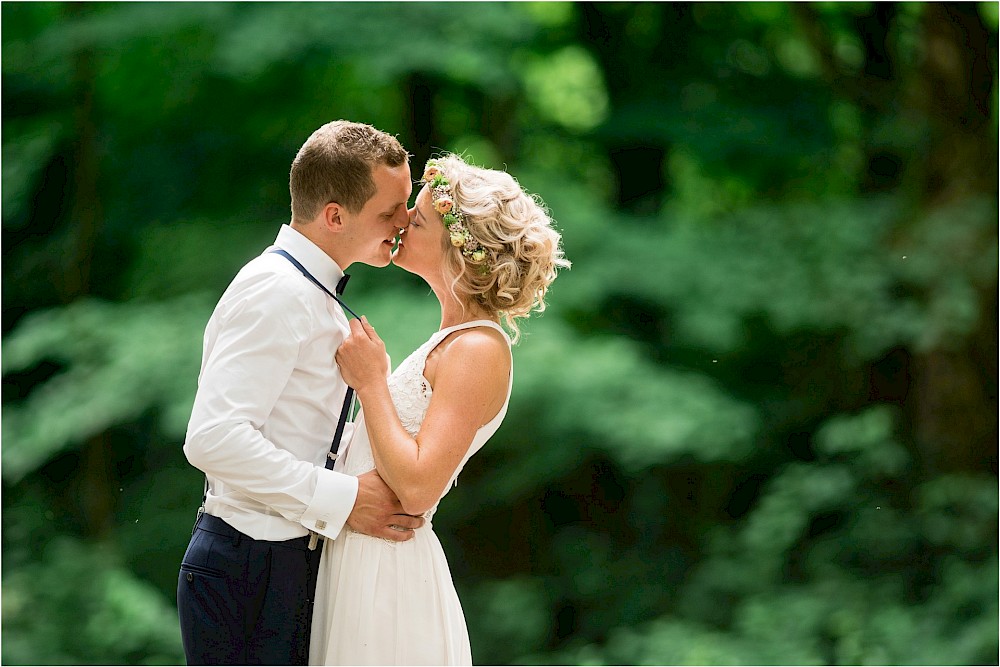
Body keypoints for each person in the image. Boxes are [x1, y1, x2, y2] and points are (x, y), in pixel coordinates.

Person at [177, 120, 425, 666]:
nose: (406, 222)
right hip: (247, 570)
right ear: (334, 215)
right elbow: (212, 439)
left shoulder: (311, 291)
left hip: (284, 567)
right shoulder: (276, 291)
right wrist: (345, 499)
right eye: (390, 211)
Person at [309, 154, 570, 665]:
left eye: (419, 218)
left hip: (386, 572)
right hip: (358, 553)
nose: (402, 221)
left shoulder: (477, 349)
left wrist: (370, 383)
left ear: (462, 251)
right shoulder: (450, 340)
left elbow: (419, 486)